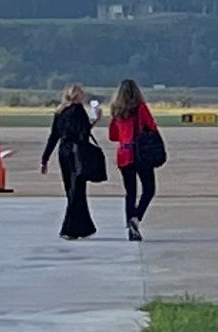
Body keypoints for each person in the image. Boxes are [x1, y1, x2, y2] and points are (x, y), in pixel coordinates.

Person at [41, 82, 101, 240]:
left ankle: (84, 226)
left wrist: (45, 158)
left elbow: (54, 136)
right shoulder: (79, 111)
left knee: (71, 189)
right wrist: (94, 121)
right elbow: (83, 134)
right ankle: (69, 229)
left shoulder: (60, 112)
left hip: (64, 152)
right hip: (77, 153)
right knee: (77, 190)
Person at [108, 78, 166, 241]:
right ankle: (136, 218)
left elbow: (113, 136)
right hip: (141, 154)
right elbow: (152, 127)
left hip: (124, 155)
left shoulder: (116, 111)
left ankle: (131, 225)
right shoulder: (140, 108)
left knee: (130, 192)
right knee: (149, 189)